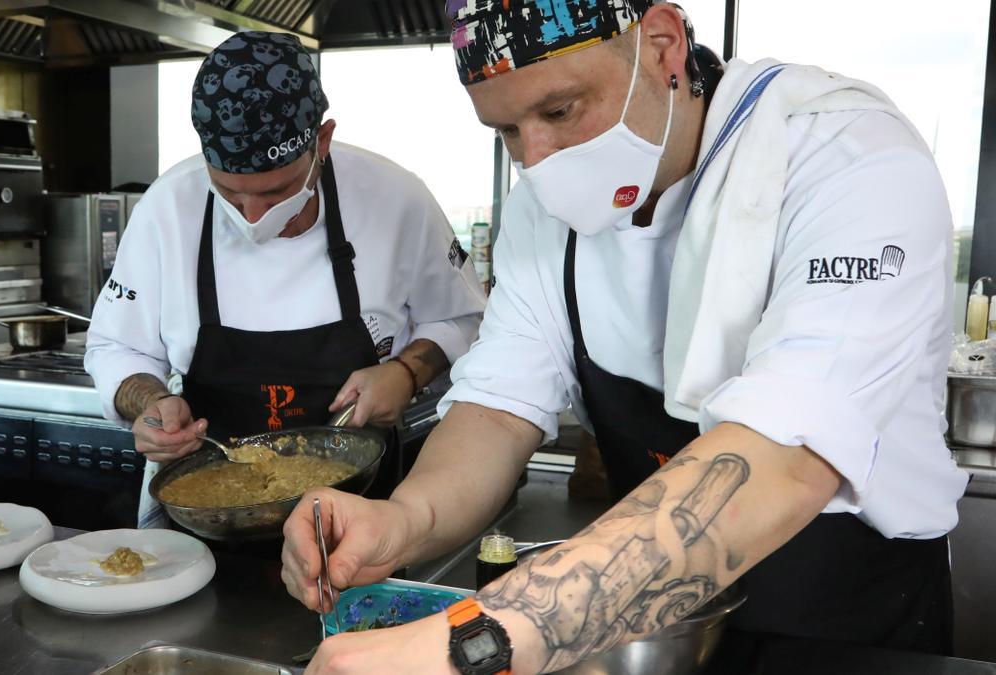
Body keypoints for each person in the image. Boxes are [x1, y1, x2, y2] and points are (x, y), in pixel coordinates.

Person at [279, 2, 967, 673]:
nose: (536, 159)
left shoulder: (846, 157)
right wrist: (404, 519)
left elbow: (788, 457)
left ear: (663, 44)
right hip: (656, 626)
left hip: (844, 623)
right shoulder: (544, 214)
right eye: (507, 132)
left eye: (558, 111)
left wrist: (483, 639)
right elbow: (497, 407)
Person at [84, 31, 487, 526]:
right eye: (231, 195)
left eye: (275, 194)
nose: (253, 217)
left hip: (361, 512)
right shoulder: (168, 208)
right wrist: (151, 403)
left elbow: (462, 318)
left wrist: (404, 373)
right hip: (203, 513)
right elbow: (115, 347)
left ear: (322, 142)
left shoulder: (396, 199)